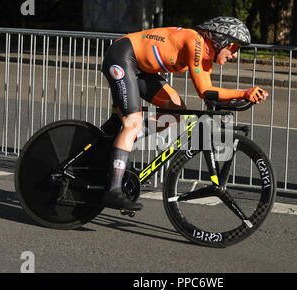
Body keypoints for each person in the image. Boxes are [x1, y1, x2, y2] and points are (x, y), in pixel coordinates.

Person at [101, 16, 269, 211]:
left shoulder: (206, 57)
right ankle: (113, 190)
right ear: (220, 40)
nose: (235, 55)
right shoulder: (195, 41)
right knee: (133, 122)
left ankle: (121, 142)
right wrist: (243, 93)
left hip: (141, 69)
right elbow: (204, 91)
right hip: (122, 56)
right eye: (234, 48)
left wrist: (243, 98)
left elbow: (210, 95)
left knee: (177, 111)